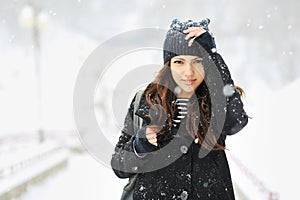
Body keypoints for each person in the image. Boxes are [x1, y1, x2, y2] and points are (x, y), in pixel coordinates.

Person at [111, 18, 249, 200]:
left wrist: (213, 55)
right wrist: (140, 145)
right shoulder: (146, 100)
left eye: (198, 61)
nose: (189, 72)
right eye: (179, 62)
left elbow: (236, 122)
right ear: (168, 64)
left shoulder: (216, 98)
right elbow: (119, 166)